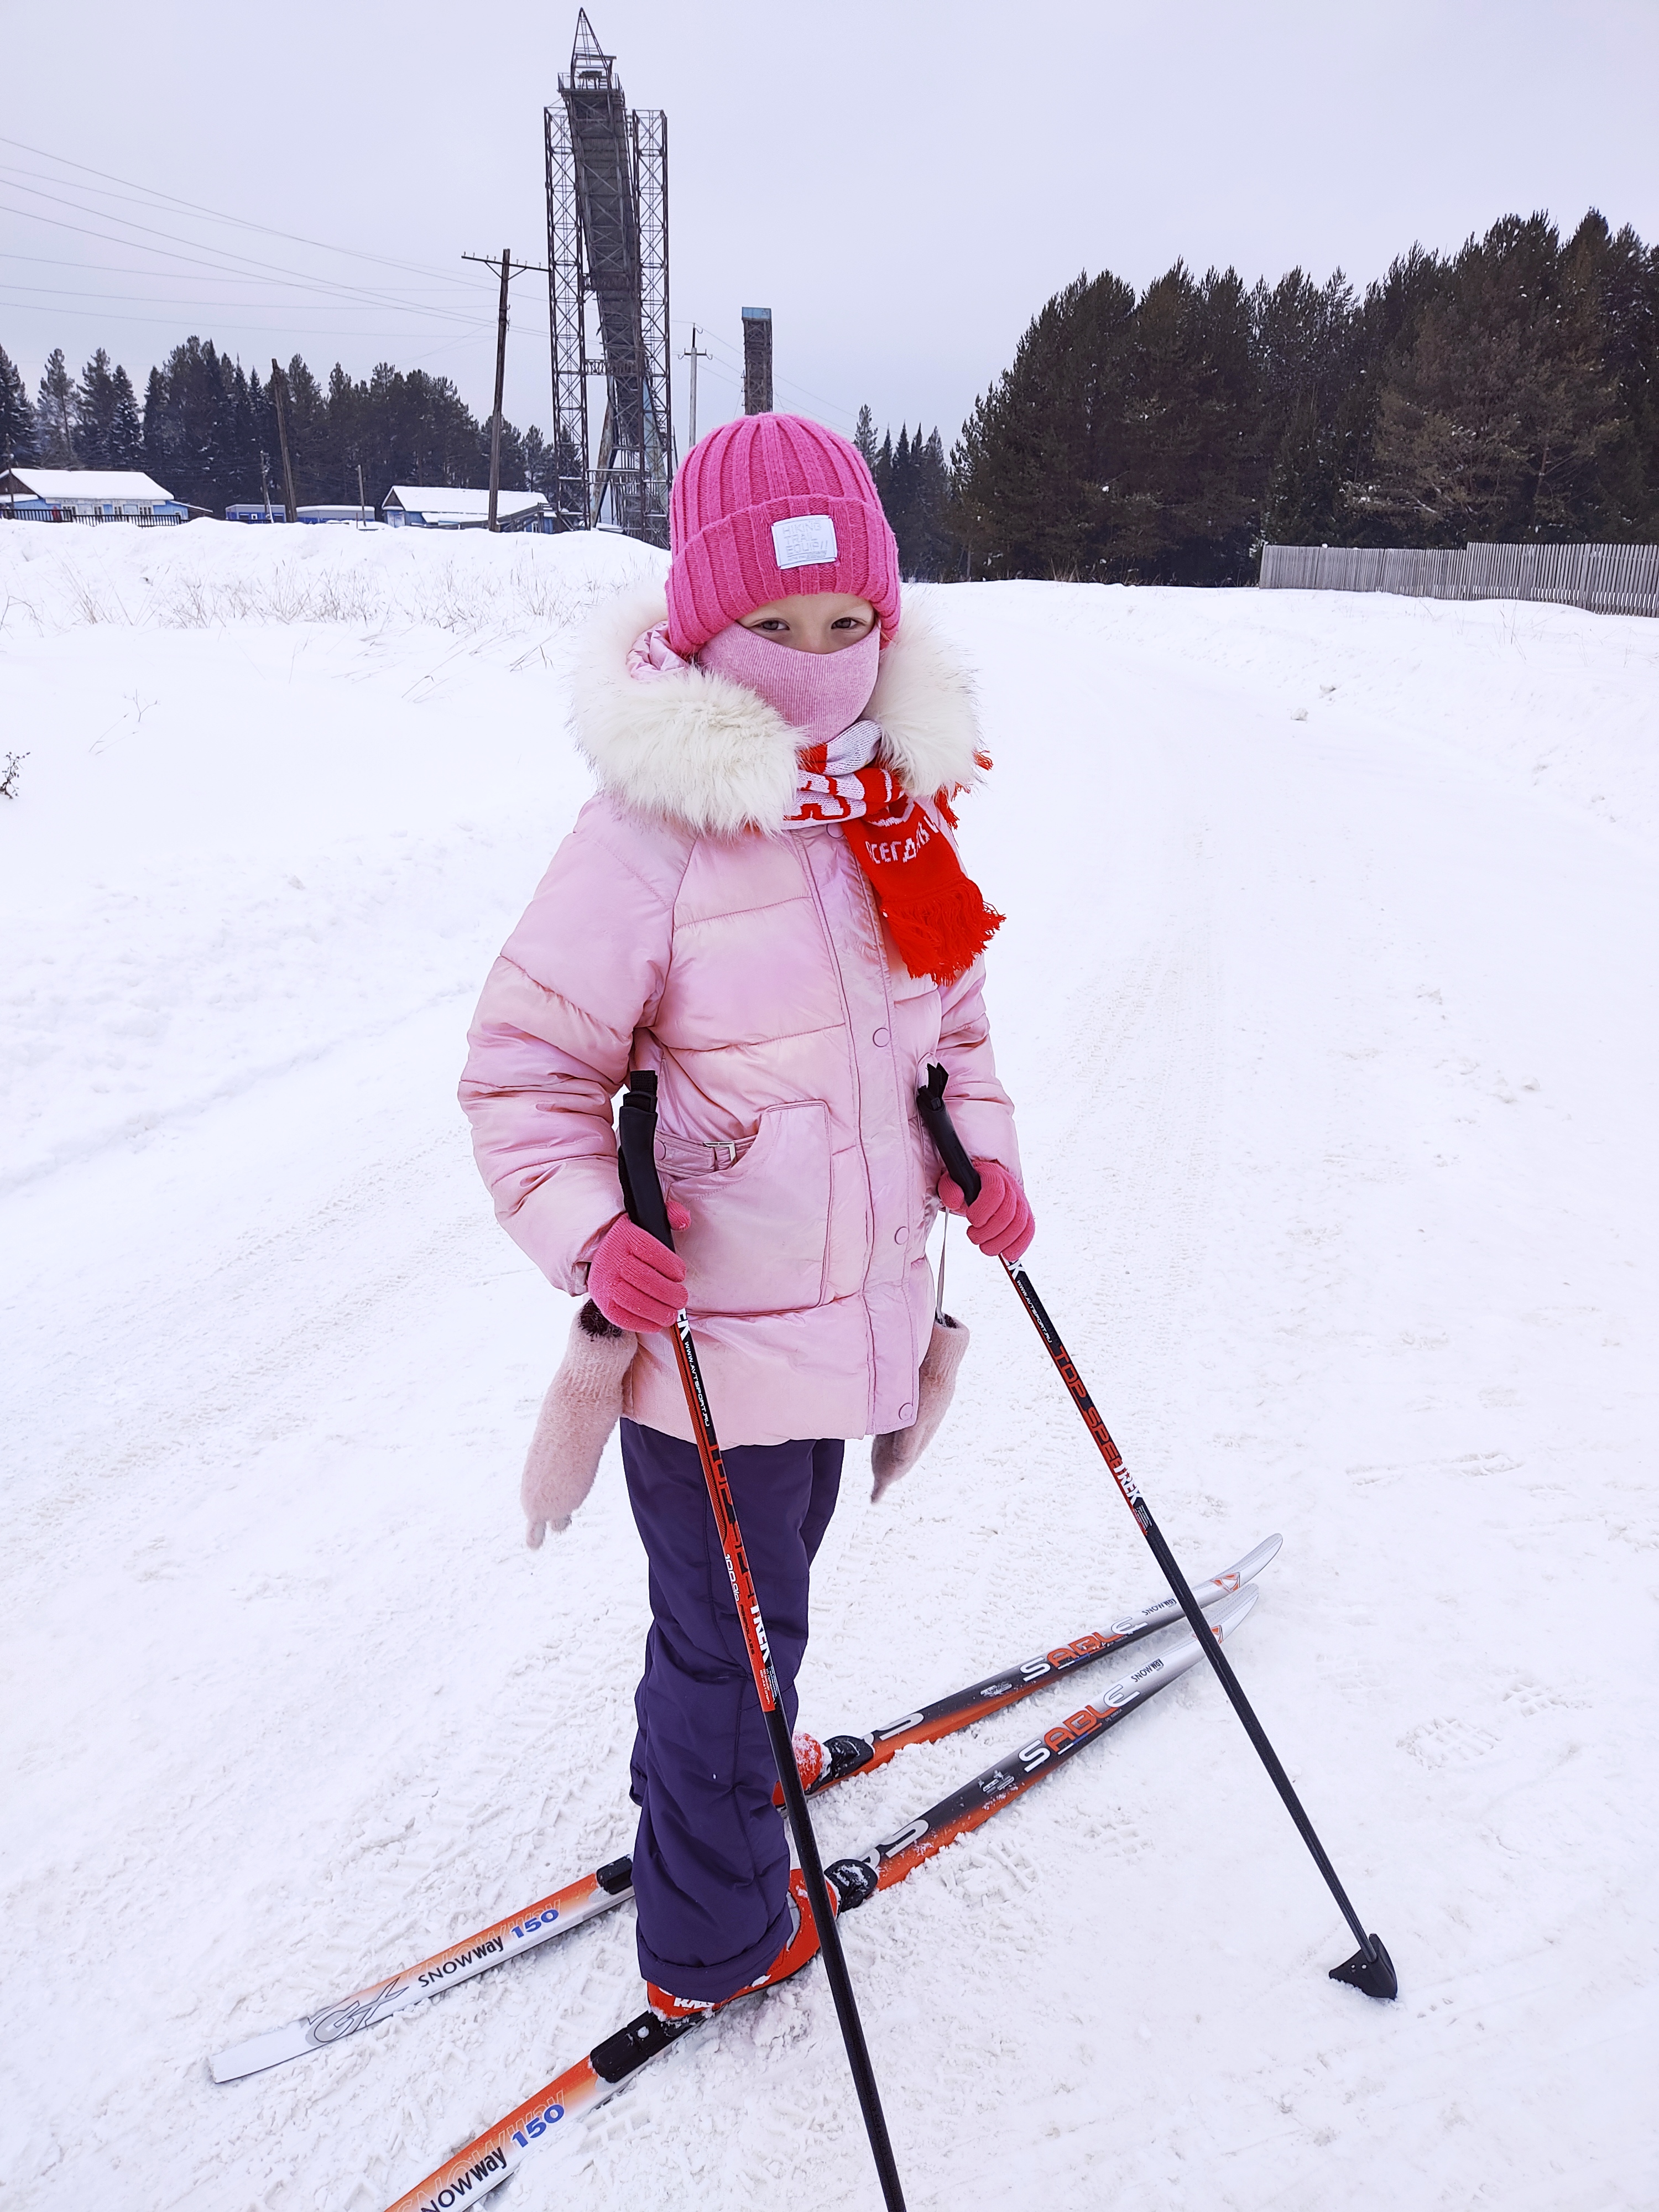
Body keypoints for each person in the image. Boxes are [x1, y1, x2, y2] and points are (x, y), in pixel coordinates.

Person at [458, 413, 1034, 2020]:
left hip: (850, 1318)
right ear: (702, 628)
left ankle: (732, 1763)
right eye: (774, 627)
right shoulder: (650, 835)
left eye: (848, 623)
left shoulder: (887, 812)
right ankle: (713, 1937)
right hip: (706, 1344)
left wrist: (978, 1154)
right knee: (725, 1642)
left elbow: (951, 1030)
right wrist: (586, 1230)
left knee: (761, 1612)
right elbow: (522, 1071)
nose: (816, 658)